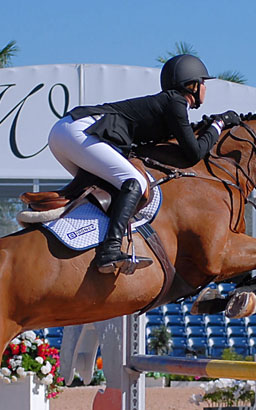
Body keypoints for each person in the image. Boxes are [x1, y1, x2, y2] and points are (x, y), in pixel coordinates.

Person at [48, 54, 241, 274]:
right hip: (79, 131)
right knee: (135, 181)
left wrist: (207, 127)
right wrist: (218, 124)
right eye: (203, 82)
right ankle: (109, 251)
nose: (205, 88)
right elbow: (193, 153)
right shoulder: (176, 101)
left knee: (110, 191)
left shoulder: (171, 104)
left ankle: (83, 239)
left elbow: (182, 142)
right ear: (192, 85)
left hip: (64, 133)